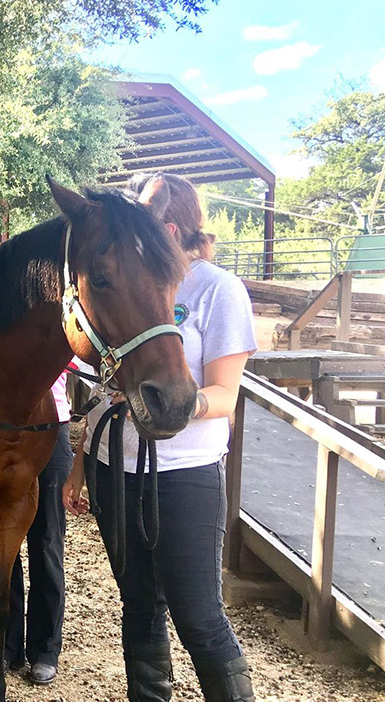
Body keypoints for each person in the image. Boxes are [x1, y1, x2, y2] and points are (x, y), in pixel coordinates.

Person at [63, 173, 257, 702]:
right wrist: (81, 466)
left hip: (184, 475)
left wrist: (179, 403)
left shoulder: (217, 289)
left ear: (171, 227)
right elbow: (106, 383)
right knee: (140, 607)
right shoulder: (125, 275)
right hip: (112, 468)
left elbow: (225, 394)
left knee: (199, 617)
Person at [5, 370, 74, 686]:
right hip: (1, 426)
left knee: (47, 543)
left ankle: (45, 650)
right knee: (3, 543)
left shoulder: (64, 318)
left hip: (50, 425)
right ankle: (7, 645)